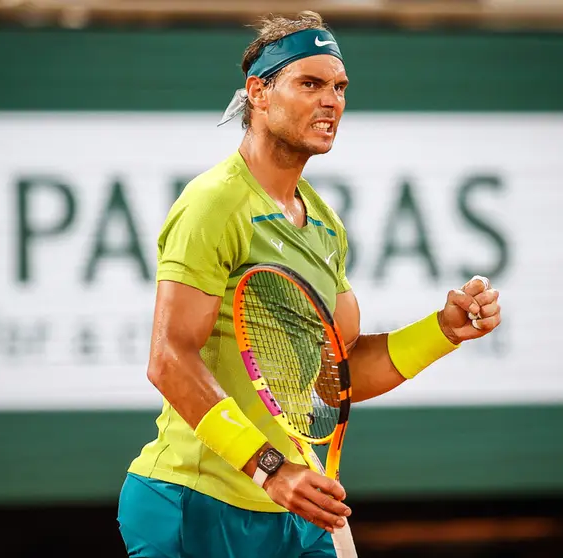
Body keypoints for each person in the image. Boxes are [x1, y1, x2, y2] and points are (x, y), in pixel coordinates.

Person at [117, 11, 502, 558]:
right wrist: (271, 470)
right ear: (259, 92)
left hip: (294, 510)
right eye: (311, 83)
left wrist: (443, 330)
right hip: (195, 502)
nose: (332, 101)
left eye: (340, 87)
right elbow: (168, 359)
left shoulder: (323, 225)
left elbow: (337, 377)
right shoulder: (214, 203)